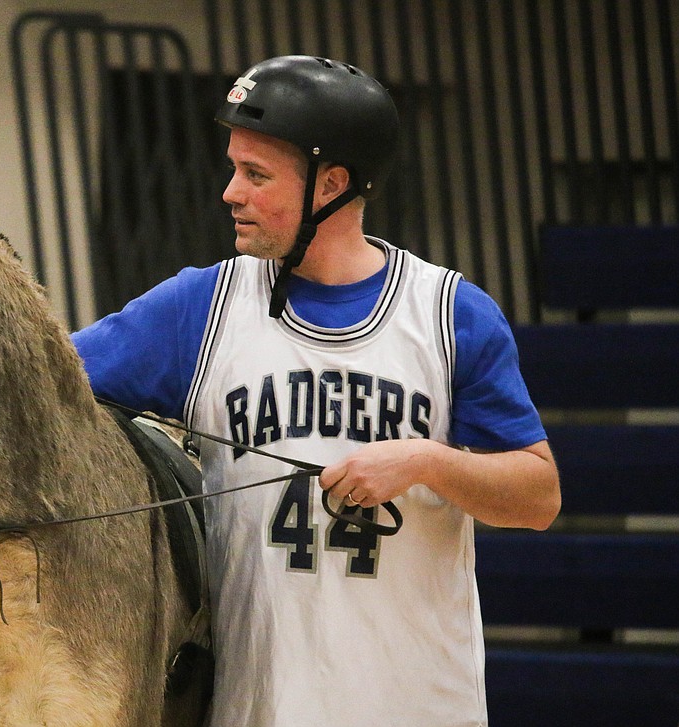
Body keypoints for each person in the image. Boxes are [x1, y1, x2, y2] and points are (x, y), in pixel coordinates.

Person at [72, 55, 561, 726]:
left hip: (421, 707)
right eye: (233, 167)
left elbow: (539, 495)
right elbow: (45, 383)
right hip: (260, 707)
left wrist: (425, 461)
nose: (229, 192)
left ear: (331, 184)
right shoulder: (199, 306)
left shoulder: (451, 314)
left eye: (256, 174)